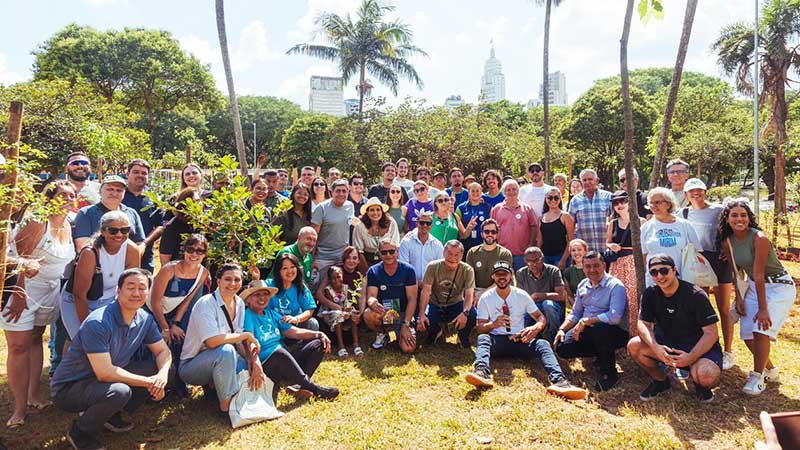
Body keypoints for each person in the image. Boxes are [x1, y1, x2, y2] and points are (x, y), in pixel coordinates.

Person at [50, 269, 172, 450]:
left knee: (161, 368)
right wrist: (150, 383)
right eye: (130, 287)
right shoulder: (98, 322)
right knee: (119, 391)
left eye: (142, 288)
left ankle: (110, 413)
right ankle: (80, 433)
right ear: (118, 291)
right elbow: (105, 373)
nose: (136, 293)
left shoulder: (144, 318)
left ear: (147, 293)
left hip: (104, 377)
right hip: (70, 388)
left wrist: (161, 377)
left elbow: (163, 351)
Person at [1, 181, 76, 428]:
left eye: (71, 195)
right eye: (61, 195)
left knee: (36, 338)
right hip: (24, 289)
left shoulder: (69, 223)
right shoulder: (37, 222)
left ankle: (33, 396)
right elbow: (16, 258)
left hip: (51, 291)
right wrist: (19, 293)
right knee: (19, 347)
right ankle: (18, 408)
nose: (67, 199)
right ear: (49, 198)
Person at [464, 261, 587, 400]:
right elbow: (480, 329)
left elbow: (540, 317)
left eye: (504, 274)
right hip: (497, 341)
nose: (501, 277)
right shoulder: (486, 298)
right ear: (493, 277)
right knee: (483, 339)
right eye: (498, 274)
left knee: (543, 344)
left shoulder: (521, 295)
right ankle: (481, 373)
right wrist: (493, 324)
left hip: (519, 339)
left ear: (511, 275)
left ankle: (560, 382)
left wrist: (535, 327)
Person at [718, 200, 796, 395]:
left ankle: (757, 376)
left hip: (778, 286)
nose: (739, 219)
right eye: (734, 215)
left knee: (761, 330)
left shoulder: (759, 238)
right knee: (747, 335)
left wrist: (763, 309)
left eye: (743, 215)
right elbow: (737, 272)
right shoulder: (727, 242)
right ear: (727, 219)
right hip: (754, 286)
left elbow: (760, 273)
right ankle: (770, 370)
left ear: (749, 218)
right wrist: (741, 298)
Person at [627, 255, 722, 402]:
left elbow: (711, 333)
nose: (659, 276)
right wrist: (656, 348)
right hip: (667, 345)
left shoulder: (696, 295)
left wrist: (690, 357)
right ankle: (660, 381)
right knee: (634, 346)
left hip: (696, 346)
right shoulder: (650, 293)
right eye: (654, 272)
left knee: (707, 375)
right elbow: (643, 324)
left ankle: (700, 385)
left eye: (664, 270)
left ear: (675, 270)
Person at [179, 263, 264, 414]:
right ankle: (227, 406)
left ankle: (219, 392)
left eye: (237, 280)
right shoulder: (206, 304)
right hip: (192, 365)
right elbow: (212, 342)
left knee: (249, 371)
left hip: (224, 358)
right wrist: (245, 335)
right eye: (228, 279)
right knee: (226, 350)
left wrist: (253, 362)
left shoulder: (239, 303)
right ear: (218, 281)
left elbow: (238, 341)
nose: (232, 284)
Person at [242, 280, 339, 400]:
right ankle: (313, 388)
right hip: (267, 365)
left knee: (318, 344)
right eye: (257, 295)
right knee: (279, 353)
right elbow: (248, 340)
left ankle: (297, 387)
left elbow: (293, 332)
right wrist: (254, 361)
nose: (262, 298)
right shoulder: (248, 315)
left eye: (265, 294)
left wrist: (318, 334)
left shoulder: (271, 314)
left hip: (286, 360)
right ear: (248, 299)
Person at [554, 251, 628, 391]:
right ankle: (600, 354)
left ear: (604, 265)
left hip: (613, 331)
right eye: (588, 266)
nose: (592, 270)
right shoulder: (583, 284)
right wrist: (561, 330)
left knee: (600, 329)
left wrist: (586, 321)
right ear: (583, 267)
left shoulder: (615, 286)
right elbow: (575, 313)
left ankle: (609, 373)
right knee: (562, 347)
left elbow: (614, 317)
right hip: (588, 330)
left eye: (596, 266)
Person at [681, 178, 735, 369]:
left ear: (705, 191)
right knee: (699, 308)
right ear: (686, 195)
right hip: (697, 262)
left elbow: (732, 231)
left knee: (723, 308)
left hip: (720, 261)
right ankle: (700, 347)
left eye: (699, 190)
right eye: (691, 191)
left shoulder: (719, 210)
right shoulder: (684, 213)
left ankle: (728, 351)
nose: (696, 194)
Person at [61, 211, 141, 339]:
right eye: (113, 231)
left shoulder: (132, 251)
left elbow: (130, 287)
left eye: (125, 230)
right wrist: (88, 326)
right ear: (103, 231)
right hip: (78, 300)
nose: (119, 235)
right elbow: (79, 294)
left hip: (109, 301)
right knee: (83, 340)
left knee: (106, 343)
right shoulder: (90, 252)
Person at [146, 234, 209, 379]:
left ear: (205, 254)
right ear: (184, 250)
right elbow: (155, 302)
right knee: (159, 342)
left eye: (199, 251)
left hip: (170, 312)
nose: (194, 254)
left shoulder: (203, 273)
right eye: (190, 249)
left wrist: (175, 323)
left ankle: (175, 381)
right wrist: (165, 328)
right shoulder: (169, 270)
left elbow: (187, 300)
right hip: (151, 311)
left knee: (178, 338)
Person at [361, 239, 418, 352]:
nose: (388, 255)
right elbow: (371, 295)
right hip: (384, 311)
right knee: (368, 314)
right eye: (384, 252)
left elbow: (412, 299)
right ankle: (382, 334)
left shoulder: (408, 270)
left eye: (391, 251)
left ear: (397, 251)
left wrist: (405, 325)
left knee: (408, 349)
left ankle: (401, 334)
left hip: (403, 313)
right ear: (379, 254)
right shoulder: (373, 271)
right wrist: (372, 302)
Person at [417, 240, 477, 348]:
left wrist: (465, 313)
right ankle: (435, 331)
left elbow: (469, 295)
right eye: (449, 253)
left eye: (457, 254)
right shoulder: (433, 267)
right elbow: (426, 292)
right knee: (424, 319)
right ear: (444, 252)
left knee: (472, 315)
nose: (453, 257)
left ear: (462, 255)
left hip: (456, 303)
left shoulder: (467, 270)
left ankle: (462, 335)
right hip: (435, 303)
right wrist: (421, 314)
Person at [640, 187, 701, 286]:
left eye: (658, 202)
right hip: (655, 282)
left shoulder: (685, 225)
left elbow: (697, 252)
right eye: (651, 203)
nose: (653, 206)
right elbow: (643, 257)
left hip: (682, 281)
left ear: (669, 204)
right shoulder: (645, 228)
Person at [606, 190, 647, 333]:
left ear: (629, 202)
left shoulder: (640, 221)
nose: (619, 205)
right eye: (616, 202)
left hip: (633, 263)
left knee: (633, 299)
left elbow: (645, 245)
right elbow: (608, 242)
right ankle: (618, 334)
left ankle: (635, 333)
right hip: (616, 264)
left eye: (622, 201)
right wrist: (612, 246)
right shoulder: (612, 223)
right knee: (617, 297)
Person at [73, 175, 146, 251]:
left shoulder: (132, 213)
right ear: (100, 191)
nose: (114, 193)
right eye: (110, 189)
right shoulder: (86, 213)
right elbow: (82, 246)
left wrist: (134, 257)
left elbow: (140, 242)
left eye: (119, 190)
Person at [121, 159, 165, 274]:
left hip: (145, 255)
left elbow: (160, 225)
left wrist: (144, 243)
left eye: (144, 173)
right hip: (118, 253)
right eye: (136, 172)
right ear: (127, 174)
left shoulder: (152, 199)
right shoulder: (119, 196)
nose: (140, 175)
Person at [515, 247, 565, 342]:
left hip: (553, 308)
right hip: (533, 308)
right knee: (526, 311)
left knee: (548, 304)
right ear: (525, 261)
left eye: (536, 260)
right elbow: (520, 299)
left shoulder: (554, 271)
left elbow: (561, 296)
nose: (533, 264)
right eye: (529, 261)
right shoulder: (521, 273)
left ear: (542, 259)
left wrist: (539, 295)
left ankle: (554, 337)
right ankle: (530, 337)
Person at [311, 179, 355, 279]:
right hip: (323, 257)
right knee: (318, 288)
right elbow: (313, 236)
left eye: (344, 191)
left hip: (342, 257)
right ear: (331, 192)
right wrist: (312, 259)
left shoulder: (350, 206)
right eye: (338, 191)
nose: (341, 194)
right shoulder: (321, 208)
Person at [491, 179, 539, 270]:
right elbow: (492, 229)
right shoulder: (497, 209)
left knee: (523, 280)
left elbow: (534, 226)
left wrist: (530, 245)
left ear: (518, 191)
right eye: (508, 190)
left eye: (514, 189)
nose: (511, 192)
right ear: (504, 192)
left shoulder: (527, 208)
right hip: (502, 253)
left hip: (522, 253)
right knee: (504, 279)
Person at [317, 266, 362, 358]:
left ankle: (356, 344)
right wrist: (343, 310)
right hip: (332, 313)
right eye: (333, 278)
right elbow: (333, 306)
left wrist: (349, 309)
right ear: (329, 279)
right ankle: (341, 346)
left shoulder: (346, 288)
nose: (336, 280)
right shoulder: (328, 290)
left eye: (338, 277)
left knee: (353, 314)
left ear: (342, 277)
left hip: (344, 311)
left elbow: (349, 302)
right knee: (338, 315)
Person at [267, 253, 319, 333]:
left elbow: (309, 309)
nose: (290, 271)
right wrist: (255, 278)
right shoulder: (269, 284)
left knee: (313, 323)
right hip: (273, 325)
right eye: (285, 268)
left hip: (293, 325)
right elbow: (257, 290)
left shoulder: (300, 286)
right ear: (278, 271)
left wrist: (296, 319)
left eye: (292, 267)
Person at [466, 218, 513, 299]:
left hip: (497, 290)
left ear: (497, 234)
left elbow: (503, 278)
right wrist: (473, 295)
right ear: (481, 234)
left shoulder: (505, 253)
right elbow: (469, 278)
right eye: (487, 232)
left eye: (493, 232)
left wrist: (483, 295)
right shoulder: (472, 252)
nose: (490, 234)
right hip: (476, 291)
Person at [568, 169, 612, 254]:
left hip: (606, 249)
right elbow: (571, 227)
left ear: (597, 180)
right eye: (584, 180)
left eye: (590, 179)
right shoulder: (575, 201)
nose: (587, 182)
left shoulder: (608, 197)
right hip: (585, 251)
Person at [352, 197, 400, 272]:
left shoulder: (391, 223)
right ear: (367, 212)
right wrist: (368, 272)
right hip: (367, 261)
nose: (375, 213)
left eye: (378, 210)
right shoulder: (360, 227)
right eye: (372, 210)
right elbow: (359, 251)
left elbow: (396, 245)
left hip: (389, 259)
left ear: (382, 211)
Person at [398, 210, 444, 287]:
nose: (425, 225)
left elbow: (440, 268)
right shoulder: (406, 242)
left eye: (428, 223)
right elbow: (403, 266)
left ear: (431, 226)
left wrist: (428, 284)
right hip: (410, 285)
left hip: (431, 286)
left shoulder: (437, 245)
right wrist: (417, 282)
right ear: (417, 224)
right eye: (422, 223)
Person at [159, 188, 200, 265]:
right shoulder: (173, 228)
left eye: (198, 201)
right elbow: (165, 260)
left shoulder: (203, 226)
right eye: (193, 202)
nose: (197, 205)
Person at [537, 187, 574, 269]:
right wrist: (539, 257)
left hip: (560, 256)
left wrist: (563, 260)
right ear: (545, 199)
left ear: (560, 199)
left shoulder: (565, 216)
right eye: (550, 198)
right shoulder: (541, 218)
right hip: (545, 257)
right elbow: (540, 240)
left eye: (556, 198)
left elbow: (571, 240)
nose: (553, 200)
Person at [456, 182, 493, 255]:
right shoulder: (460, 208)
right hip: (466, 247)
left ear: (481, 192)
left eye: (477, 191)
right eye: (472, 191)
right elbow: (460, 234)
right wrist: (469, 228)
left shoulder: (488, 208)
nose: (475, 193)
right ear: (468, 192)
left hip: (484, 247)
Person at [562, 239, 588, 307]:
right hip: (578, 306)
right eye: (573, 250)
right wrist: (577, 308)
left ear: (585, 251)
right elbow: (569, 295)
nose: (576, 252)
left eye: (579, 249)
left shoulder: (593, 268)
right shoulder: (567, 272)